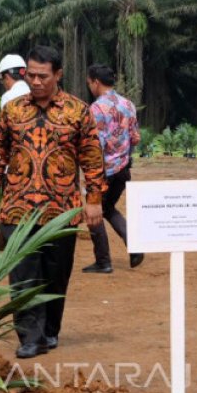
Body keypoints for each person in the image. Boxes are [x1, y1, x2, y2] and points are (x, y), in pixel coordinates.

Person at [0, 46, 105, 359]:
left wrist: (94, 200)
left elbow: (91, 158)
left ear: (58, 75)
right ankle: (29, 337)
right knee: (23, 275)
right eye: (30, 75)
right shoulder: (12, 110)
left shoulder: (78, 111)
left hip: (61, 210)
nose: (35, 81)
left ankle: (49, 331)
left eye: (42, 76)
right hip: (17, 209)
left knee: (56, 274)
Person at [82, 64, 144, 274]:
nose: (89, 86)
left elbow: (93, 145)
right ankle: (135, 246)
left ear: (96, 82)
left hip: (103, 171)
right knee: (107, 209)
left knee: (94, 212)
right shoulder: (129, 104)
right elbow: (135, 137)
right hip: (124, 169)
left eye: (89, 83)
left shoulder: (95, 109)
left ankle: (103, 261)